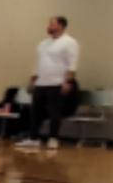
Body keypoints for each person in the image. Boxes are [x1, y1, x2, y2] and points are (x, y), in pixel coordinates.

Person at [27, 16, 80, 150]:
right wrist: (32, 80)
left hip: (57, 82)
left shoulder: (69, 42)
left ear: (61, 26)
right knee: (35, 111)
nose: (49, 27)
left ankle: (53, 138)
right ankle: (33, 138)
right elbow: (38, 64)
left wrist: (68, 81)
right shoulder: (43, 43)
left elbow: (72, 64)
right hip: (41, 82)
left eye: (52, 24)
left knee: (54, 111)